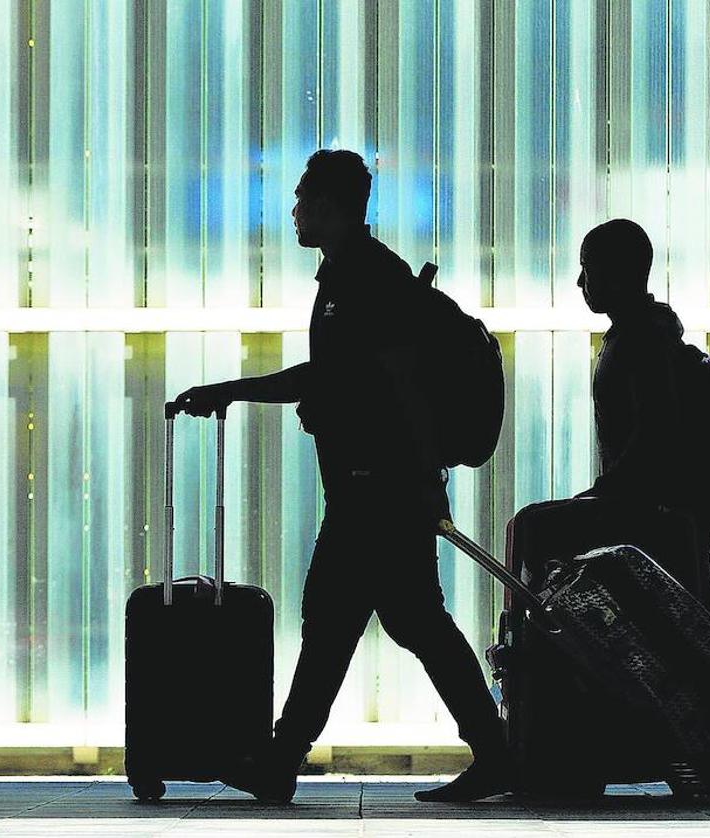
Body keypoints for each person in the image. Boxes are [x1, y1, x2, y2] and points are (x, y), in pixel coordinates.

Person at [171, 149, 510, 803]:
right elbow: (353, 382)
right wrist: (328, 410)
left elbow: (402, 383)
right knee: (386, 620)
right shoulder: (343, 277)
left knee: (367, 619)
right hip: (369, 483)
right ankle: (486, 753)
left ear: (329, 204)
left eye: (302, 198)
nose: (293, 210)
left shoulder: (369, 277)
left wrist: (232, 390)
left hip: (381, 488)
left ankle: (283, 761)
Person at [576, 219, 710, 608]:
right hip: (668, 515)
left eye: (586, 267)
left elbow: (655, 431)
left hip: (652, 518)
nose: (579, 281)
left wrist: (603, 495)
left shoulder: (640, 341)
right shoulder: (648, 334)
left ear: (612, 273)